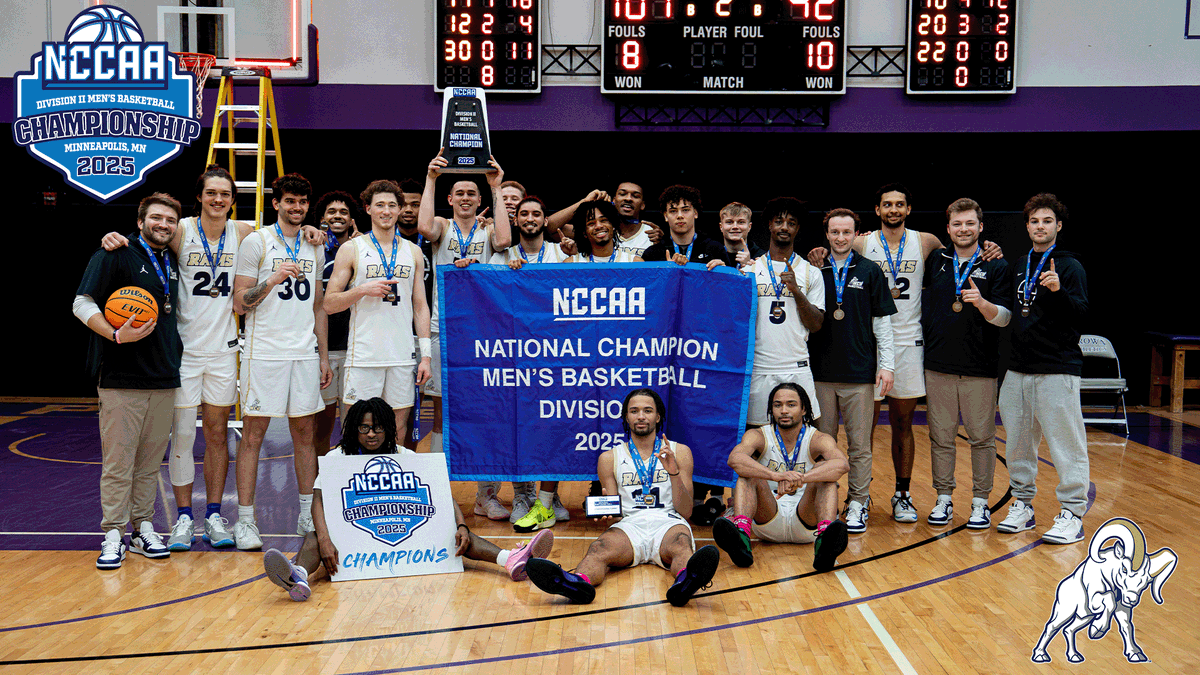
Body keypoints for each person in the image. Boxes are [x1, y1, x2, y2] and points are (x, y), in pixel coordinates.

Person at [97, 168, 327, 552]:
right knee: (183, 435)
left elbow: (287, 230)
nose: (218, 199)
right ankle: (185, 517)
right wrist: (115, 235)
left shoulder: (244, 234)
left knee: (219, 435)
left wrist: (312, 230)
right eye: (211, 193)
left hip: (224, 348)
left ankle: (216, 514)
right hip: (184, 349)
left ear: (232, 199)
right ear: (200, 197)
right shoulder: (182, 230)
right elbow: (146, 237)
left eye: (225, 194)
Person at [806, 184, 999, 524]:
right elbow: (838, 246)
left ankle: (903, 493)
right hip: (869, 345)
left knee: (902, 423)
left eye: (899, 204)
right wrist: (820, 252)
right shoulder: (864, 241)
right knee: (861, 431)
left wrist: (988, 247)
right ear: (877, 210)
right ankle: (855, 497)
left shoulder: (926, 241)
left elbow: (960, 253)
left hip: (910, 343)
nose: (893, 210)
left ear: (908, 209)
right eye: (886, 205)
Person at [262, 398, 555, 600]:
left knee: (453, 534)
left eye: (378, 427)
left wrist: (462, 525)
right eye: (364, 428)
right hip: (349, 541)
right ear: (354, 429)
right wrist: (326, 539)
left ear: (389, 428)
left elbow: (442, 494)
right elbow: (318, 501)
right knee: (314, 538)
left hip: (404, 540)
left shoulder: (406, 457)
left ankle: (510, 560)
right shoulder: (338, 457)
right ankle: (298, 575)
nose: (371, 433)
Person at [525, 389, 720, 607]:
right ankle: (577, 583)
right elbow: (615, 519)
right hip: (629, 525)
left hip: (669, 521)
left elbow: (686, 512)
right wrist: (607, 512)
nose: (641, 416)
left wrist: (673, 472)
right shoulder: (609, 458)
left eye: (647, 410)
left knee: (681, 545)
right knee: (599, 548)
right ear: (626, 417)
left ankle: (686, 581)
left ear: (658, 416)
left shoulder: (679, 452)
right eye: (634, 411)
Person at [74, 193, 184, 568]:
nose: (163, 225)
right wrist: (116, 335)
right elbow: (81, 302)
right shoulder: (114, 253)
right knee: (119, 463)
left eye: (170, 220)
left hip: (165, 376)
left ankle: (143, 528)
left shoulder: (172, 259)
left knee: (150, 463)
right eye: (156, 218)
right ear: (140, 222)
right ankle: (112, 534)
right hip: (121, 377)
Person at [232, 173, 333, 549]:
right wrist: (272, 279)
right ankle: (245, 520)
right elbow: (238, 302)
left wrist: (322, 355)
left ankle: (307, 512)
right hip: (264, 353)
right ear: (275, 204)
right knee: (253, 436)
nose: (296, 207)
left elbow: (319, 304)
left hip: (303, 353)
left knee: (305, 435)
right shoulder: (256, 242)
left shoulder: (314, 244)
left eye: (303, 202)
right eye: (289, 201)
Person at [417, 149, 514, 519]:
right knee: (442, 414)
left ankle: (485, 496)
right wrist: (430, 178)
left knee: (488, 412)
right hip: (445, 330)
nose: (466, 198)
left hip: (483, 333)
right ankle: (439, 493)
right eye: (460, 193)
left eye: (472, 194)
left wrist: (496, 186)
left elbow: (505, 241)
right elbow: (424, 228)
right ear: (450, 198)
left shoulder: (489, 229)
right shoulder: (441, 227)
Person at [997, 193, 1089, 544]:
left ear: (1058, 226)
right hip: (1019, 369)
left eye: (1047, 221)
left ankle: (1072, 513)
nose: (1040, 226)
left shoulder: (1069, 266)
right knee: (1018, 444)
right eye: (1035, 221)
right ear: (1027, 226)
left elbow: (1081, 314)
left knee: (1066, 446)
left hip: (1057, 368)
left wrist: (1057, 291)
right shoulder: (1020, 263)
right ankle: (1022, 505)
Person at [922, 199, 1011, 529]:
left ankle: (980, 502)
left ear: (980, 227)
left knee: (982, 438)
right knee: (941, 437)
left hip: (980, 366)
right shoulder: (936, 260)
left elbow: (1004, 319)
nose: (963, 229)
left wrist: (984, 304)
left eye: (970, 224)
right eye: (957, 224)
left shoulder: (997, 266)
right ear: (948, 228)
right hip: (938, 364)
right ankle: (943, 498)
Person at [808, 209, 897, 533]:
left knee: (860, 445)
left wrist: (886, 366)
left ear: (856, 234)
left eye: (847, 232)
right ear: (827, 234)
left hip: (860, 374)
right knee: (823, 444)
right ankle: (824, 503)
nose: (841, 238)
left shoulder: (871, 271)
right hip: (820, 374)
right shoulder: (815, 269)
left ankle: (858, 502)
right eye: (835, 232)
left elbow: (883, 326)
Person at [323, 180, 432, 440]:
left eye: (392, 205)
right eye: (380, 205)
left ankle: (390, 479)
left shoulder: (413, 251)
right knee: (355, 429)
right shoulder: (352, 249)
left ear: (399, 209)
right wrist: (361, 290)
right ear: (368, 209)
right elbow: (329, 304)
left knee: (398, 429)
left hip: (401, 355)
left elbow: (420, 306)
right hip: (363, 356)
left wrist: (425, 356)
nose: (386, 211)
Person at [493, 196, 572, 530]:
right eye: (524, 214)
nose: (530, 219)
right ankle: (522, 496)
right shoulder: (502, 257)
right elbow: (484, 295)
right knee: (518, 427)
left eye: (536, 214)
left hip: (556, 354)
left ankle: (549, 500)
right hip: (515, 355)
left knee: (553, 426)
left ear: (545, 220)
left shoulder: (563, 255)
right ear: (516, 220)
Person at [712, 383, 849, 571]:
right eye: (778, 405)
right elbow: (735, 459)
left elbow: (842, 464)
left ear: (804, 409)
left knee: (824, 471)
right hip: (768, 518)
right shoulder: (758, 435)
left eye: (791, 405)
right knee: (749, 473)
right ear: (771, 410)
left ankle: (824, 542)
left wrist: (801, 478)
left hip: (807, 521)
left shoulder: (818, 438)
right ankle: (742, 539)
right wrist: (775, 475)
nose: (784, 410)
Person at [748, 197, 825, 429]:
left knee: (811, 434)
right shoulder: (749, 270)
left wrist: (796, 291)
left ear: (797, 229)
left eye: (791, 223)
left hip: (796, 365)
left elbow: (816, 324)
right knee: (756, 436)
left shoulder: (811, 273)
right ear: (770, 225)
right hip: (760, 367)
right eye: (779, 221)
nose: (784, 227)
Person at [314, 190, 360, 459]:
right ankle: (321, 483)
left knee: (353, 424)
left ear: (352, 219)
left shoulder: (363, 248)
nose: (337, 216)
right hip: (326, 348)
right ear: (322, 219)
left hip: (356, 347)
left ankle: (349, 482)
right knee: (322, 426)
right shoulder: (314, 248)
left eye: (343, 212)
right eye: (332, 212)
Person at [396, 178, 432, 451]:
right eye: (403, 204)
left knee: (414, 409)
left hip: (426, 334)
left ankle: (411, 462)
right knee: (395, 409)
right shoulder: (379, 242)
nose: (409, 209)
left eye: (416, 204)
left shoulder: (433, 239)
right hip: (393, 333)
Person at [549, 181, 664, 252]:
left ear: (643, 205)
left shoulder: (651, 233)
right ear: (614, 200)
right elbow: (550, 227)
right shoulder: (598, 229)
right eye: (623, 194)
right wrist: (584, 202)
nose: (628, 198)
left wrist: (661, 242)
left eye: (635, 196)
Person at [640, 185, 729, 269]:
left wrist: (724, 272)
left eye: (685, 210)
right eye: (673, 211)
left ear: (695, 213)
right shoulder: (653, 253)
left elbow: (731, 283)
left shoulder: (715, 249)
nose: (679, 216)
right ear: (666, 216)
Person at [564, 200, 644, 263]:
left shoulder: (634, 263)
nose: (599, 226)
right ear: (584, 232)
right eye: (591, 223)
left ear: (613, 225)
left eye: (604, 220)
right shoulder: (571, 264)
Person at [718, 201, 766, 269]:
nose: (735, 226)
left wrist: (749, 268)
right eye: (729, 222)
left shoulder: (762, 258)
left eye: (741, 222)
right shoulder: (711, 255)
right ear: (721, 227)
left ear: (749, 227)